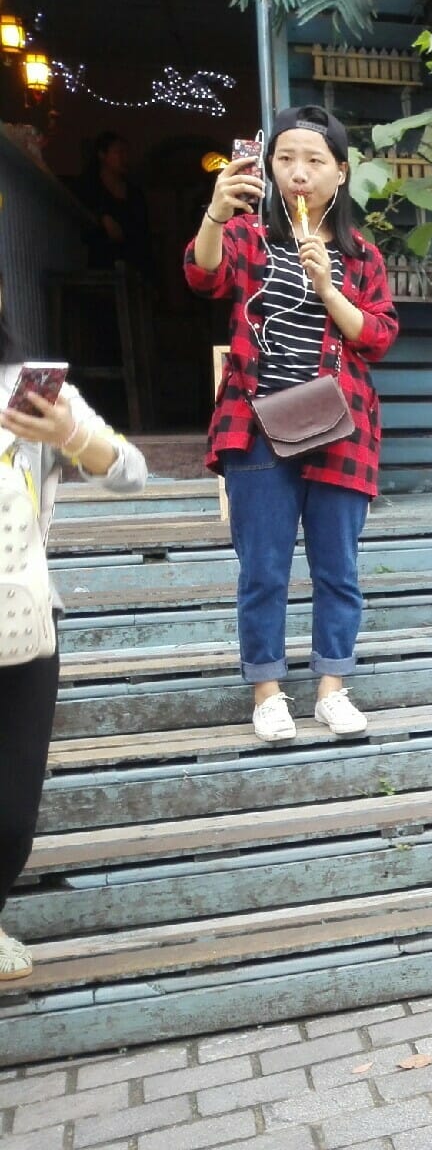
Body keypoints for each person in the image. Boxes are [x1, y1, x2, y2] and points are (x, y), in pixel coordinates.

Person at [184, 105, 397, 743]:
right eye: (285, 159)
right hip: (255, 427)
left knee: (338, 567)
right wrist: (216, 212)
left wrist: (329, 287)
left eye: (314, 160)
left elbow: (378, 336)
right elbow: (202, 274)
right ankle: (268, 692)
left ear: (341, 172)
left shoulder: (361, 255)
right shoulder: (247, 236)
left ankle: (332, 688)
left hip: (340, 428)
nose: (299, 173)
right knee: (263, 568)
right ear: (270, 167)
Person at [0, 271, 148, 978]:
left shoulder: (28, 392)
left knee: (10, 814)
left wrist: (73, 434)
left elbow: (131, 473)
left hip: (20, 625)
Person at [74, 131, 154, 277]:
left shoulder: (134, 193)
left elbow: (142, 233)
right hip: (99, 265)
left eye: (126, 152)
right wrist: (102, 218)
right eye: (119, 152)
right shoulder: (88, 188)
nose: (125, 158)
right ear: (102, 155)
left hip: (133, 266)